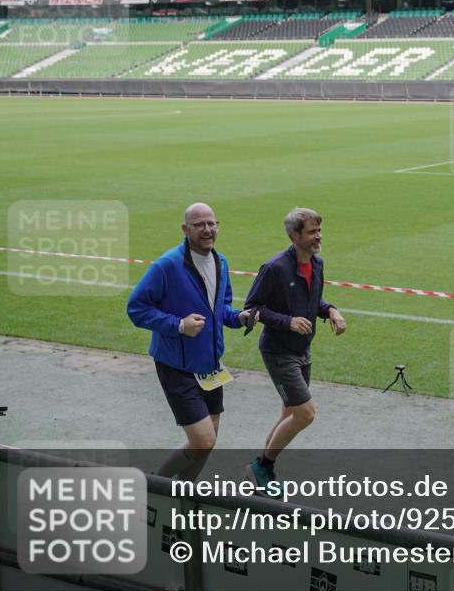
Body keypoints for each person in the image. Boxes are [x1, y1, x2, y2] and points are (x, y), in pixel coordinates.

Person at [127, 203, 255, 481]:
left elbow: (220, 310)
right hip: (177, 367)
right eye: (199, 225)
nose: (207, 230)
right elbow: (136, 308)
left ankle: (182, 496)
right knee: (203, 441)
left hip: (210, 367)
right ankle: (156, 486)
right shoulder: (167, 266)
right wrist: (178, 325)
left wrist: (240, 318)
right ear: (186, 230)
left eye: (211, 223)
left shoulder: (221, 263)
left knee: (206, 444)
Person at [243, 208, 346, 495]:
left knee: (290, 412)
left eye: (319, 231)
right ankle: (262, 466)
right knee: (305, 413)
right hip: (279, 351)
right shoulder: (275, 268)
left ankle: (261, 472)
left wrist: (332, 311)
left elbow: (313, 300)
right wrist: (287, 322)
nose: (318, 237)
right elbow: (251, 309)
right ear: (294, 235)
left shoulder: (317, 263)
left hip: (303, 349)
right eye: (312, 232)